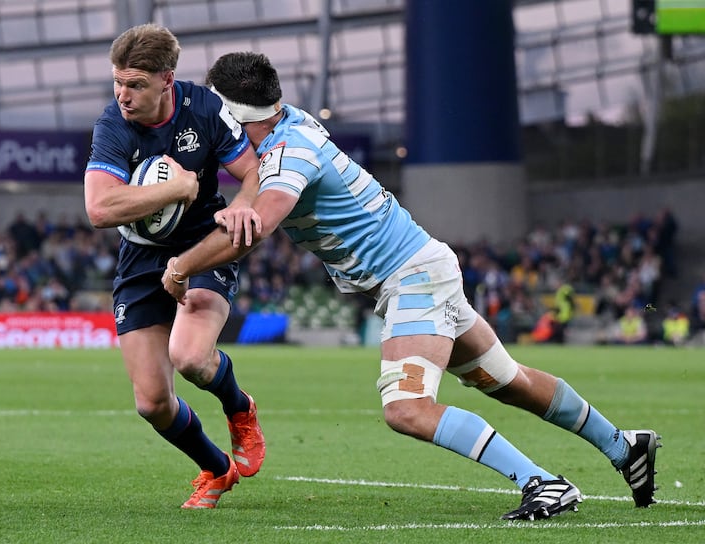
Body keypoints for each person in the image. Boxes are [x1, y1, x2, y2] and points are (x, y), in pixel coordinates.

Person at [160, 52, 661, 521]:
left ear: (235, 116)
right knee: (508, 381)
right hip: (421, 267)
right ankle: (624, 446)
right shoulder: (290, 125)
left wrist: (181, 266)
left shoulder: (289, 153)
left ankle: (542, 482)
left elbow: (259, 226)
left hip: (412, 278)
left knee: (407, 409)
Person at [83, 25, 266, 509]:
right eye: (118, 82)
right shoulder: (113, 125)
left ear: (167, 79)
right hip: (141, 258)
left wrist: (242, 204)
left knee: (190, 357)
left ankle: (238, 406)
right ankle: (216, 468)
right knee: (152, 403)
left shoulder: (204, 109)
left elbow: (252, 171)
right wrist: (177, 187)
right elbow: (99, 209)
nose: (123, 95)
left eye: (136, 84)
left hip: (205, 245)